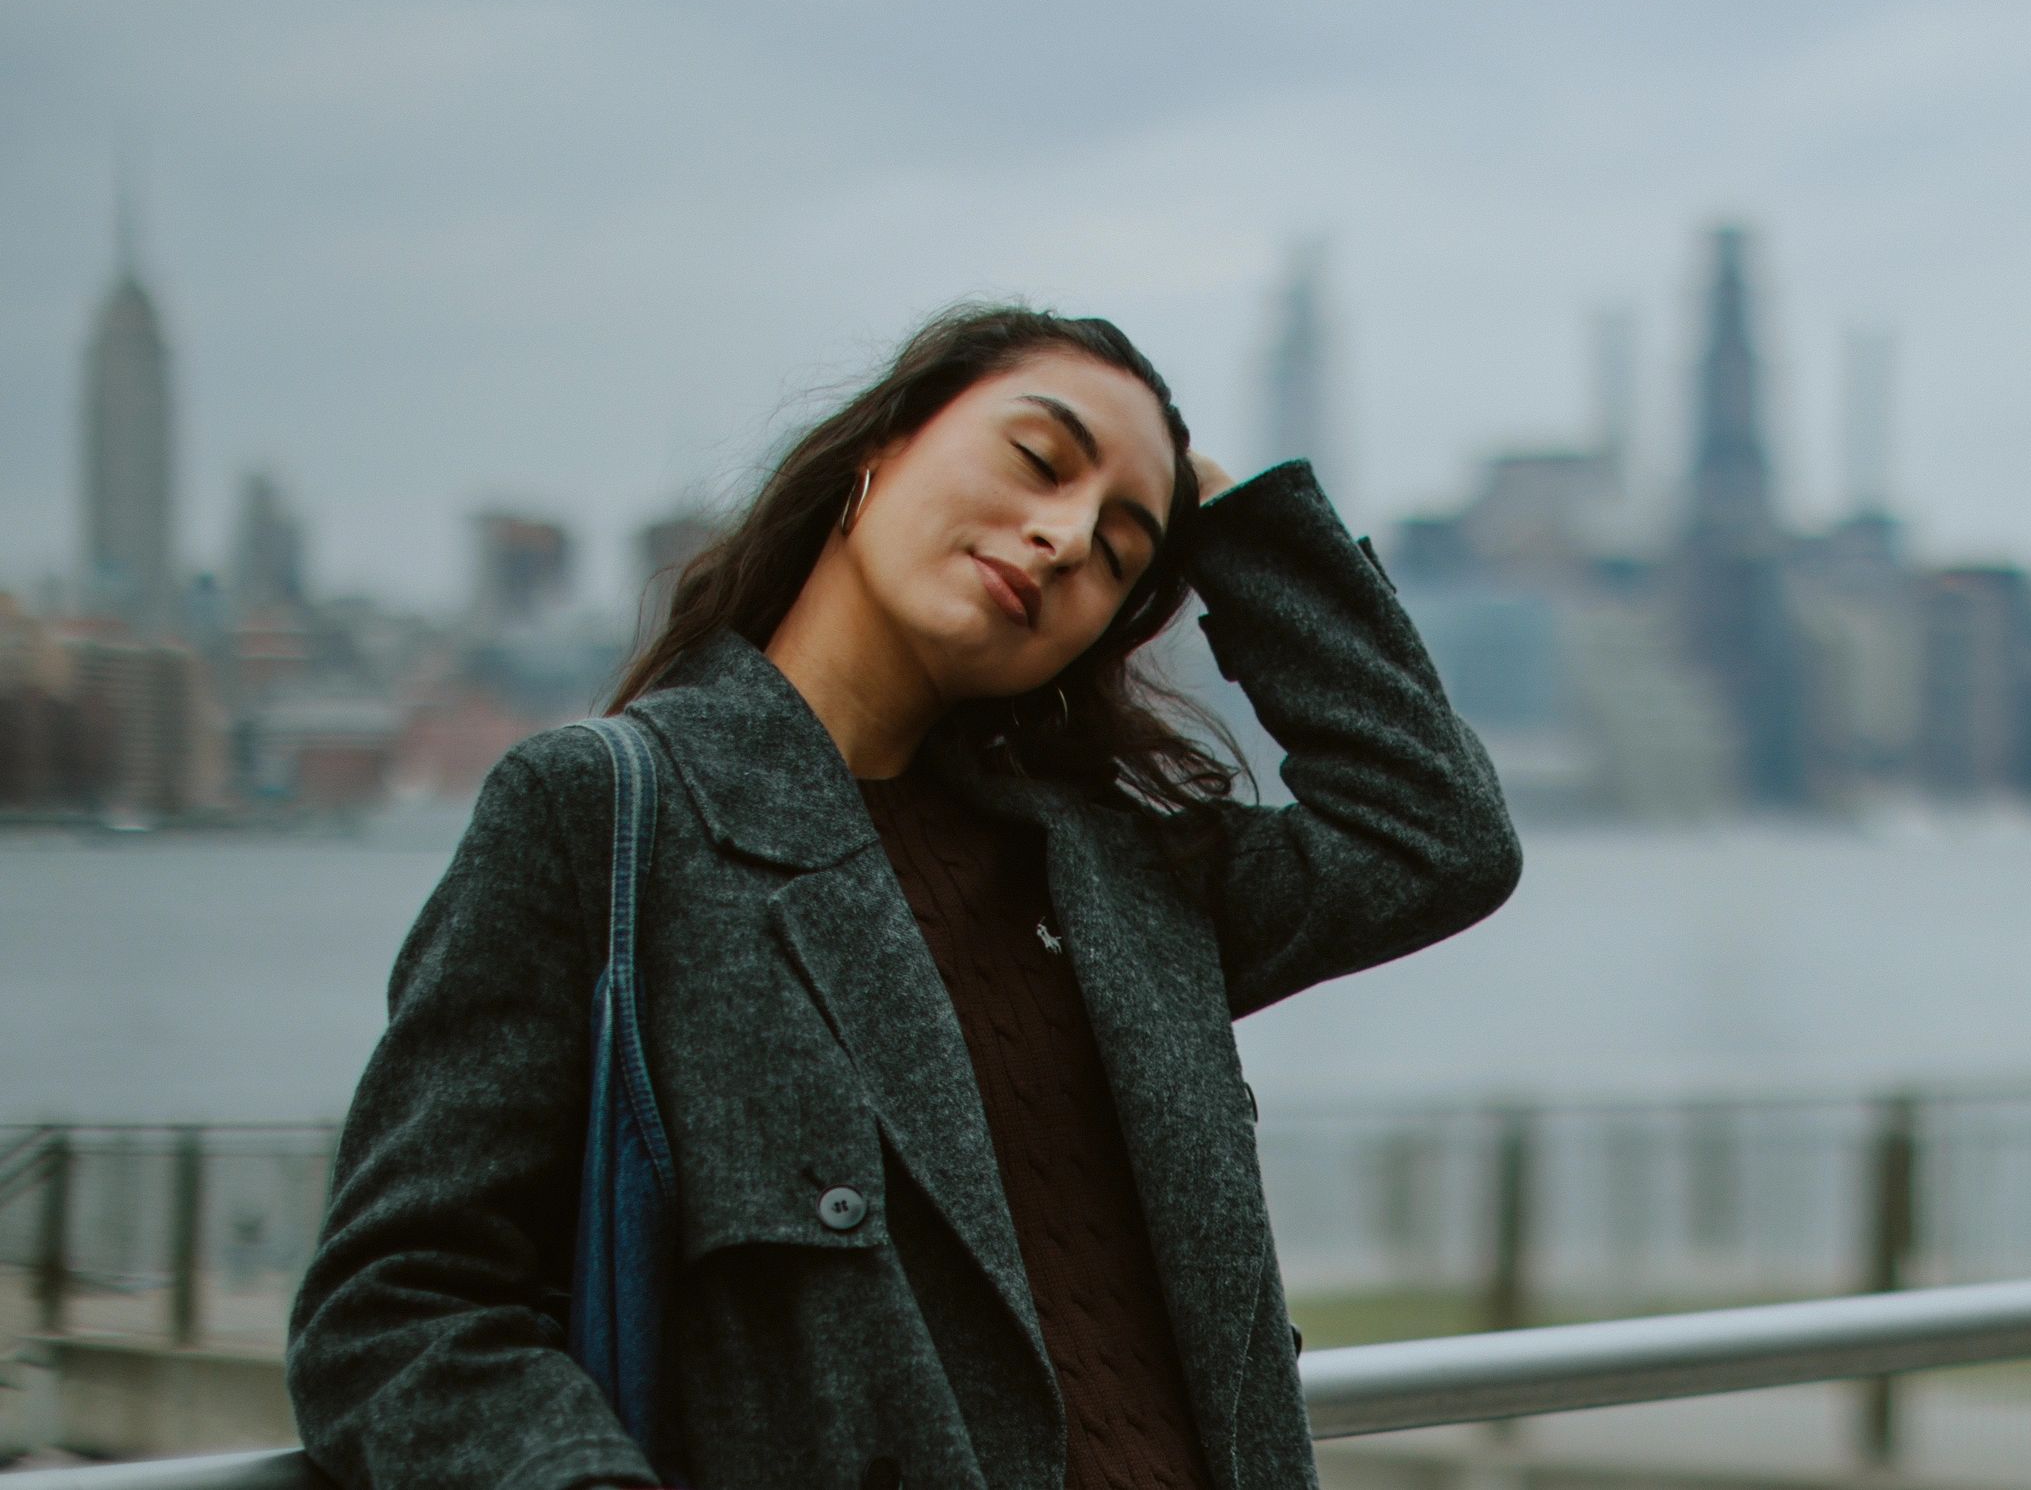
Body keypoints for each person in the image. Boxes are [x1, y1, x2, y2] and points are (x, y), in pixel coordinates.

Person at [285, 303, 1523, 1490]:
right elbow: (397, 1304)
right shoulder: (607, 817)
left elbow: (1437, 834)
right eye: (1037, 457)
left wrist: (1228, 510)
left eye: (1118, 551)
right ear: (882, 446)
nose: (1062, 537)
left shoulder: (1114, 878)